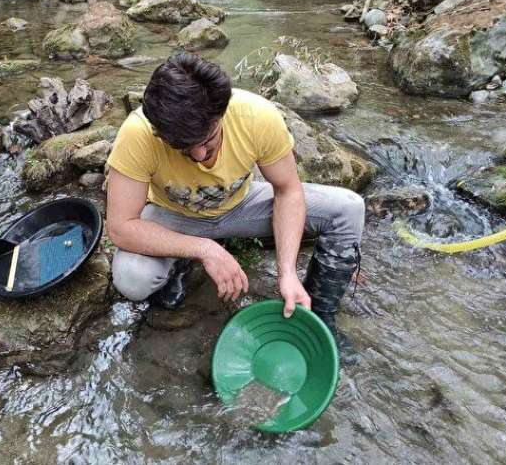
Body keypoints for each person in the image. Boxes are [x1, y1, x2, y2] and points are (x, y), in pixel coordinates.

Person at [105, 53, 364, 351]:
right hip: (173, 215)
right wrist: (204, 249)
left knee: (349, 208)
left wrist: (287, 271)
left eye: (208, 141)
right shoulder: (138, 133)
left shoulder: (256, 117)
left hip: (241, 206)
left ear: (221, 114)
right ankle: (180, 264)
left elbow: (287, 190)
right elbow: (121, 228)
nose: (201, 156)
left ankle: (319, 316)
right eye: (184, 149)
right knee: (131, 278)